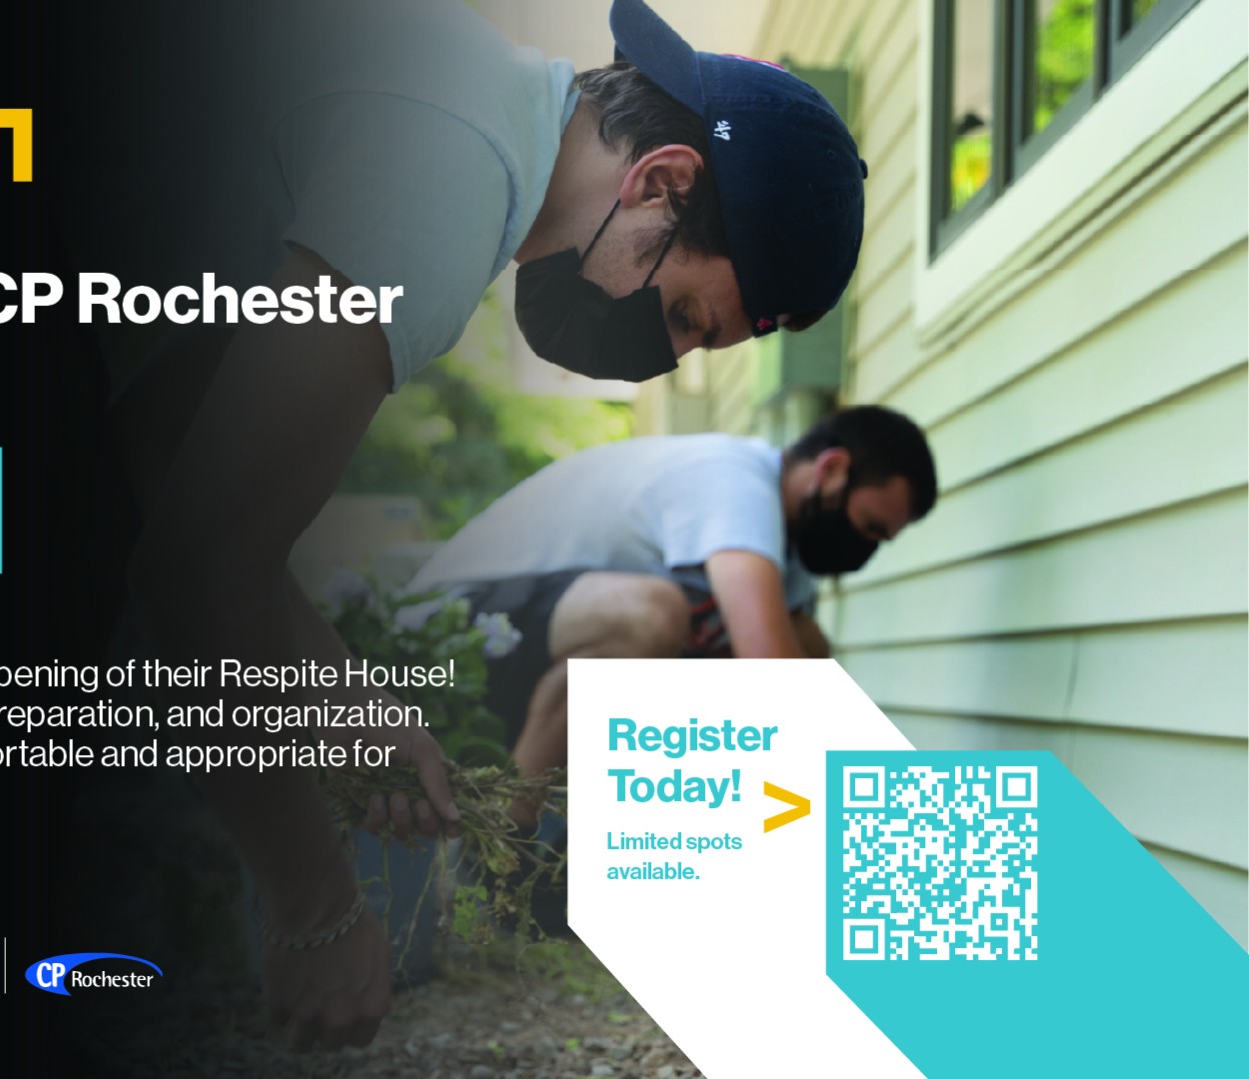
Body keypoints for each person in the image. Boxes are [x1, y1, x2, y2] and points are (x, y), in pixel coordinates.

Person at [112, 0, 870, 1049]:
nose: (667, 350)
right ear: (662, 181)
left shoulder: (455, 112)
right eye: (689, 315)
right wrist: (315, 907)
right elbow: (198, 565)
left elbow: (156, 457)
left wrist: (341, 695)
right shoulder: (447, 173)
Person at [408, 406, 940, 825]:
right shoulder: (733, 480)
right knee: (653, 615)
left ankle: (607, 849)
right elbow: (772, 672)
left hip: (542, 650)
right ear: (832, 469)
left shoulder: (790, 557)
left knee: (806, 642)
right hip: (453, 636)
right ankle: (501, 850)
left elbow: (796, 671)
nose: (863, 550)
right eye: (869, 526)